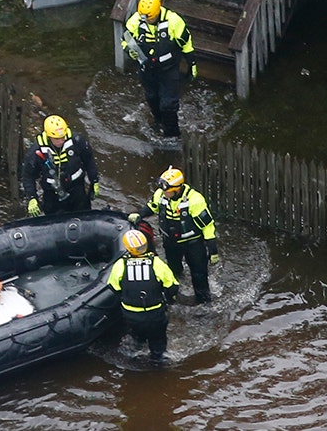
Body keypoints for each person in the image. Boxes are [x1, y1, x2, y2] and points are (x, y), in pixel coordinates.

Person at [129, 166, 219, 304]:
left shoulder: (195, 200)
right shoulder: (161, 194)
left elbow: (207, 226)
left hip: (193, 244)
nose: (164, 193)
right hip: (171, 242)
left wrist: (212, 250)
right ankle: (175, 293)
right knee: (173, 269)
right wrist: (140, 214)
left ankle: (204, 303)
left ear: (177, 189)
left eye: (168, 191)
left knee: (199, 275)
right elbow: (152, 206)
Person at [120, 0, 197, 138]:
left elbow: (186, 43)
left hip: (168, 69)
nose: (148, 21)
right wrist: (130, 50)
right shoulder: (135, 21)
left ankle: (173, 135)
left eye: (151, 18)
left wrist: (191, 63)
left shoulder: (173, 21)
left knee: (168, 105)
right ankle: (158, 123)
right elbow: (125, 39)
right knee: (152, 98)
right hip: (147, 68)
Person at [108, 228, 180, 365]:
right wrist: (170, 301)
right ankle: (158, 363)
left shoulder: (120, 265)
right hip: (155, 314)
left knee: (136, 339)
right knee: (158, 342)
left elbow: (114, 288)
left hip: (131, 315)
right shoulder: (156, 264)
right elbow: (172, 286)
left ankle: (135, 358)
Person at [21, 115, 100, 216]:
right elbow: (28, 176)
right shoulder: (36, 151)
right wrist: (32, 197)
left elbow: (89, 161)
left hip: (77, 189)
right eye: (57, 139)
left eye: (63, 137)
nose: (61, 141)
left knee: (84, 215)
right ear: (49, 136)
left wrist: (94, 181)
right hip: (52, 194)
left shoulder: (77, 141)